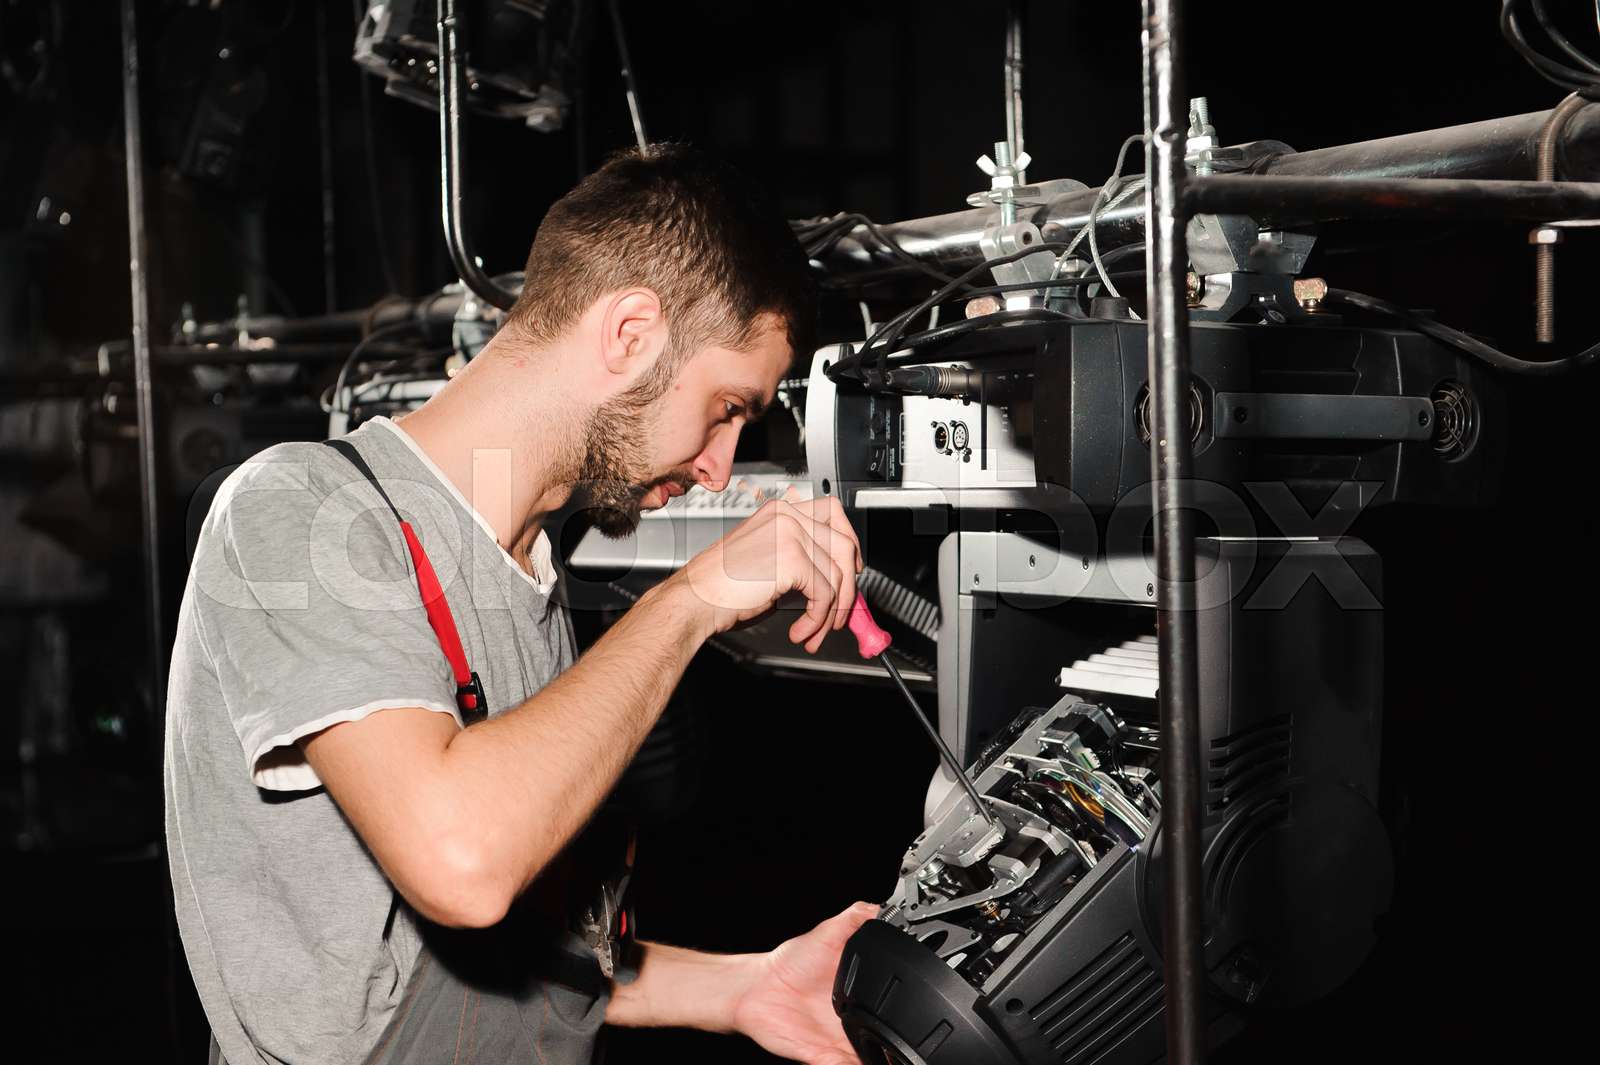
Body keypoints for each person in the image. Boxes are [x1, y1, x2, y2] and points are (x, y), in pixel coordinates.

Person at [167, 144, 872, 1065]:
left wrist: (746, 987)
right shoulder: (298, 511)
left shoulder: (534, 573)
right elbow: (462, 862)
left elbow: (516, 963)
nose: (720, 466)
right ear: (628, 332)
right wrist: (690, 598)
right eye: (727, 407)